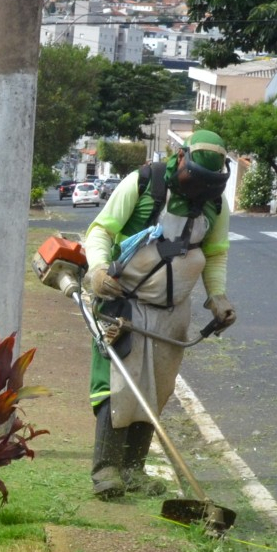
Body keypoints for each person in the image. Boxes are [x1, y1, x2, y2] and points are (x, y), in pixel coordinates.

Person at [79, 130, 236, 499]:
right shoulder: (144, 183)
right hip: (126, 303)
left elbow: (216, 253)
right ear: (180, 159)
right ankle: (106, 470)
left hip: (172, 310)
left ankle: (133, 469)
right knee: (119, 385)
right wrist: (98, 270)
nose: (199, 190)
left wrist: (217, 297)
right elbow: (101, 230)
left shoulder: (215, 204)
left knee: (155, 389)